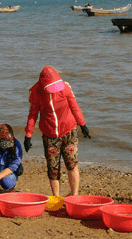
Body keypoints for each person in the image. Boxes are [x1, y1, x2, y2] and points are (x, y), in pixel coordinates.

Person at [24, 66, 90, 196]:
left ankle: (74, 195)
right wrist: (28, 135)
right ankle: (56, 197)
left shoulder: (65, 88)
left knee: (71, 164)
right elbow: (33, 115)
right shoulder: (37, 93)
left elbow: (74, 107)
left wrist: (82, 124)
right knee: (53, 169)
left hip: (69, 131)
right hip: (49, 135)